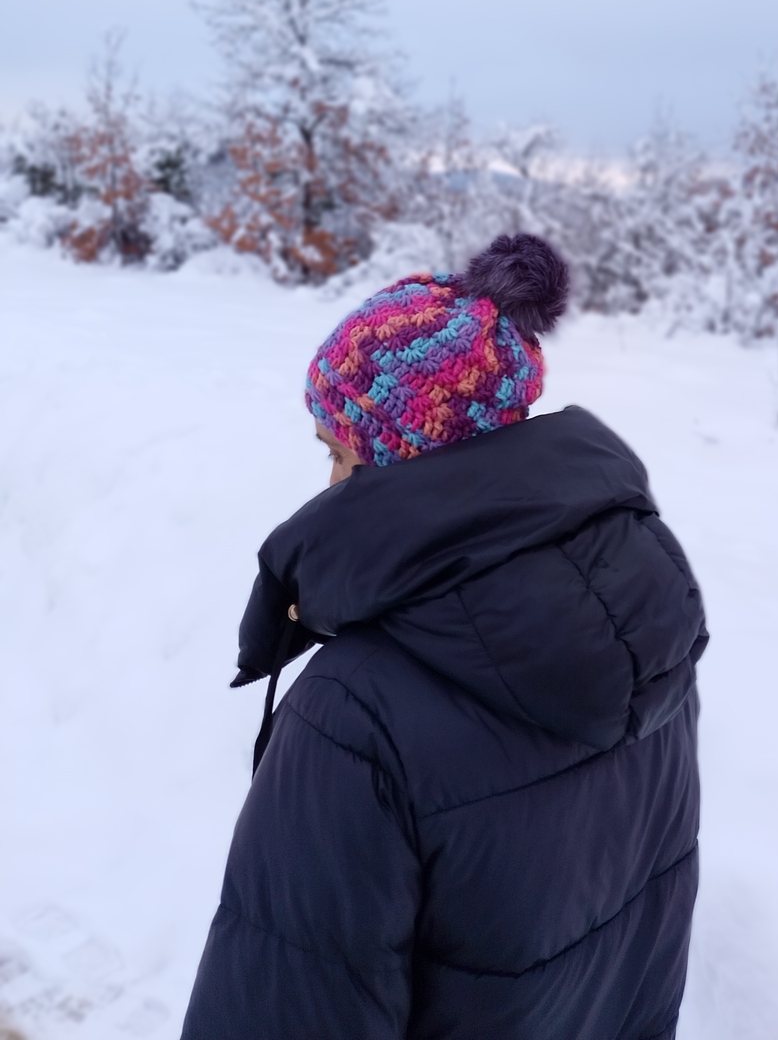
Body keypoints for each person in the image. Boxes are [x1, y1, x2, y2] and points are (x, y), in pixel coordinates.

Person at [181, 232, 707, 1040]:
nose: (328, 485)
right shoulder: (647, 628)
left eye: (339, 452)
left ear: (401, 457)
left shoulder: (354, 712)